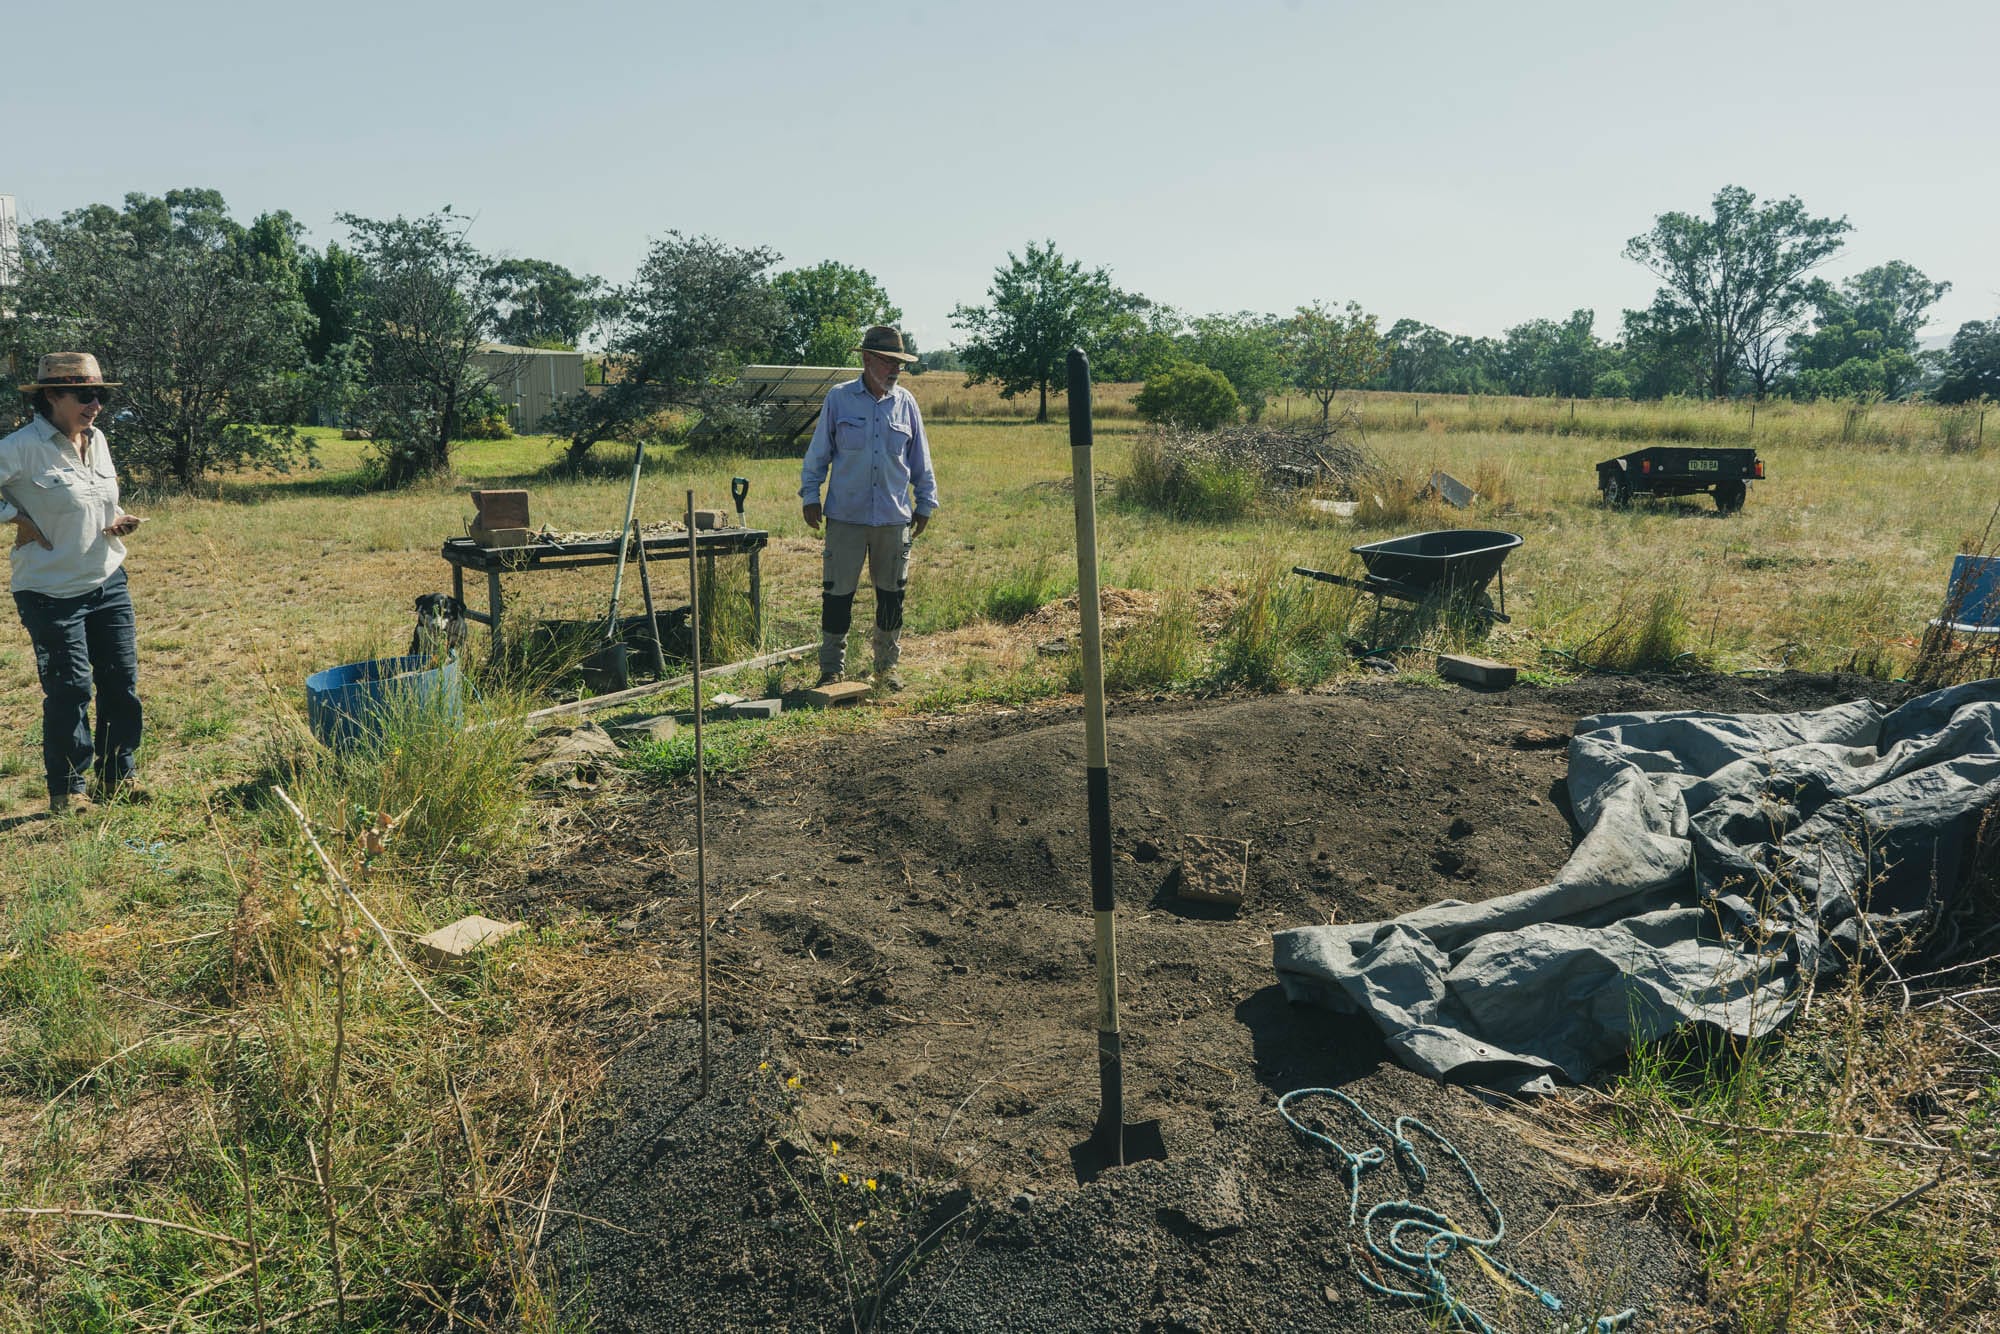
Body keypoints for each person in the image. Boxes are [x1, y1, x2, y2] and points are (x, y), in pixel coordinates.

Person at [1, 353, 146, 815]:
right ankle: (69, 791)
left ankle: (118, 776)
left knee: (121, 683)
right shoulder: (20, 447)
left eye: (100, 395)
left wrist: (117, 520)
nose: (96, 405)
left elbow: (98, 501)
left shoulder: (97, 439)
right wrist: (12, 516)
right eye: (85, 395)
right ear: (51, 397)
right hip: (49, 592)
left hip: (107, 580)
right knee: (71, 688)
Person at [799, 326, 939, 691]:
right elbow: (818, 453)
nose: (895, 370)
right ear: (866, 359)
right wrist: (810, 496)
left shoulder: (906, 403)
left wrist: (925, 502)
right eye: (888, 362)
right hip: (846, 515)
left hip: (893, 518)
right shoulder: (839, 399)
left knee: (892, 594)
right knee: (837, 593)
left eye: (900, 364)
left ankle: (886, 668)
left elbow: (920, 459)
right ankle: (831, 669)